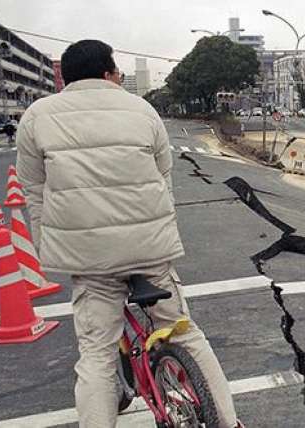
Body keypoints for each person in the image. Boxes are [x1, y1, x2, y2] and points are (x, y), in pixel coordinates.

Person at [16, 40, 240, 428]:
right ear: (108, 72)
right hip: (149, 250)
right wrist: (160, 230)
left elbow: (34, 191)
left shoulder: (37, 116)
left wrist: (47, 247)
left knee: (97, 357)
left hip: (88, 257)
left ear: (64, 77)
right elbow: (163, 175)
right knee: (185, 335)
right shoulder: (141, 108)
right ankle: (229, 421)